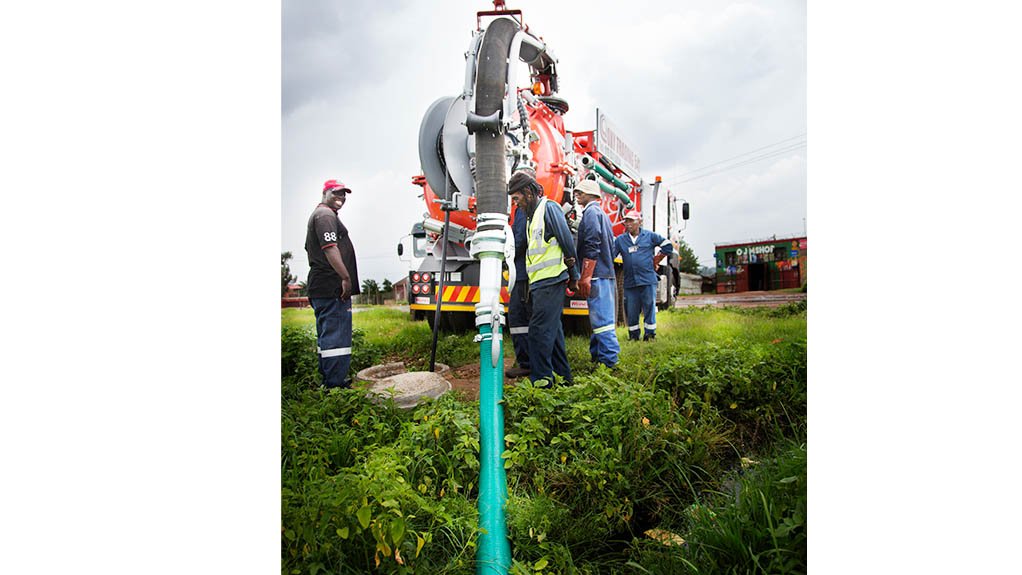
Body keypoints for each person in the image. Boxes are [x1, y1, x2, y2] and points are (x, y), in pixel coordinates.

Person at [507, 169, 579, 384]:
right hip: (539, 283)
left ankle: (542, 382)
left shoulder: (549, 209)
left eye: (517, 198)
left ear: (528, 192)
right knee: (553, 332)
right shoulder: (531, 217)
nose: (515, 204)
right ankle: (565, 379)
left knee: (538, 332)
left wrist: (573, 275)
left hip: (552, 281)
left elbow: (567, 241)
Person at [305, 179, 360, 389]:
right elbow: (329, 248)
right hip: (331, 286)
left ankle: (329, 382)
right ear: (325, 193)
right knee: (337, 339)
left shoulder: (322, 215)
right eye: (337, 193)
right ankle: (336, 387)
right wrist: (345, 278)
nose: (341, 198)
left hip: (322, 286)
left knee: (328, 337)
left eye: (344, 194)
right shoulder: (325, 215)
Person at [573, 179, 620, 368]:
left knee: (602, 321)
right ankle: (598, 357)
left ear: (591, 194)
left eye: (580, 192)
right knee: (599, 319)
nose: (577, 195)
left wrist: (585, 276)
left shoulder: (591, 213)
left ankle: (610, 363)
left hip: (597, 275)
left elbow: (592, 245)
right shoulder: (603, 214)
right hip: (605, 273)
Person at [612, 210, 673, 341]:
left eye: (631, 221)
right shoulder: (621, 240)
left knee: (649, 307)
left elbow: (668, 246)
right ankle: (633, 336)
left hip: (647, 280)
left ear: (639, 222)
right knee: (631, 310)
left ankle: (650, 335)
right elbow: (611, 255)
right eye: (626, 221)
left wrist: (657, 259)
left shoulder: (650, 236)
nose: (628, 224)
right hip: (630, 282)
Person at [505, 203, 532, 379]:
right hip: (524, 273)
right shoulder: (527, 208)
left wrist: (505, 253)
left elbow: (520, 239)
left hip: (523, 274)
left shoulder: (522, 209)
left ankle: (528, 364)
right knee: (523, 319)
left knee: (519, 318)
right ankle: (530, 362)